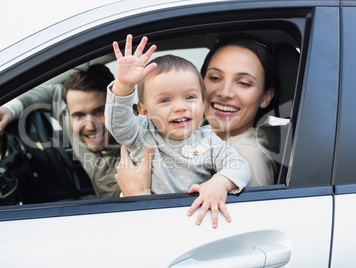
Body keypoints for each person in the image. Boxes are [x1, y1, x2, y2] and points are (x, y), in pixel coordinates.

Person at [114, 32, 278, 227]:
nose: (224, 93)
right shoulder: (148, 131)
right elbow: (119, 123)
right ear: (143, 110)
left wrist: (138, 197)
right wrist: (123, 87)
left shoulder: (240, 151)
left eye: (243, 83)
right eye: (215, 77)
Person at [0, 64, 121, 198]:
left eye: (100, 111)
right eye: (79, 115)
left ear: (119, 106)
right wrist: (11, 108)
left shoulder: (137, 148)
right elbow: (51, 93)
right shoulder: (70, 115)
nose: (90, 126)